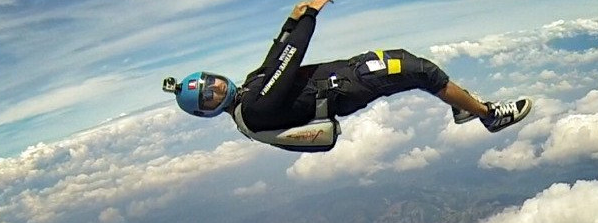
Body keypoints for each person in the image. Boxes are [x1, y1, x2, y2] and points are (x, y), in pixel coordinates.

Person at [162, 0, 532, 151]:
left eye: (211, 81)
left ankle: (466, 108)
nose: (216, 87)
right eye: (208, 95)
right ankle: (487, 115)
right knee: (419, 70)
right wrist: (310, 14)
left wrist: (291, 20)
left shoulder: (248, 94)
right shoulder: (255, 109)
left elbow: (274, 56)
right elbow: (287, 60)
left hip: (347, 76)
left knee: (413, 66)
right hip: (349, 84)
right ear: (207, 112)